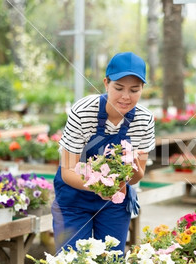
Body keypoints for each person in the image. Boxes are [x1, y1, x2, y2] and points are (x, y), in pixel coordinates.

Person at [51, 52, 155, 253]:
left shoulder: (144, 119)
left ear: (143, 89)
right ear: (106, 83)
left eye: (134, 90)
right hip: (74, 199)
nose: (126, 96)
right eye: (118, 88)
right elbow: (68, 170)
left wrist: (131, 168)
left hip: (114, 202)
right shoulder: (82, 111)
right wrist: (101, 187)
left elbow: (136, 176)